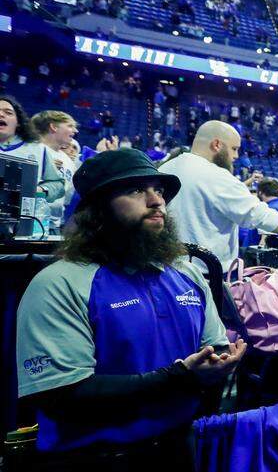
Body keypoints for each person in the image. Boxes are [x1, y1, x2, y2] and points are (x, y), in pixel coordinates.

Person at [15, 148, 246, 470]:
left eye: (159, 191)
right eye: (136, 190)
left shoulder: (186, 273)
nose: (156, 201)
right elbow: (61, 396)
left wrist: (220, 362)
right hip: (95, 460)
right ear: (98, 209)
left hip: (180, 449)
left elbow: (212, 348)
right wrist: (178, 377)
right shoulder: (58, 283)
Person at [160, 120, 278, 265]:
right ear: (216, 144)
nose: (236, 156)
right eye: (234, 149)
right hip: (205, 278)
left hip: (168, 271)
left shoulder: (164, 168)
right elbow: (261, 217)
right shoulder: (218, 176)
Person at [0, 95, 66, 205]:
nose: (1, 114)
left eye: (8, 112)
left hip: (20, 219)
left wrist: (41, 190)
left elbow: (58, 185)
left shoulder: (38, 149)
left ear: (18, 122)